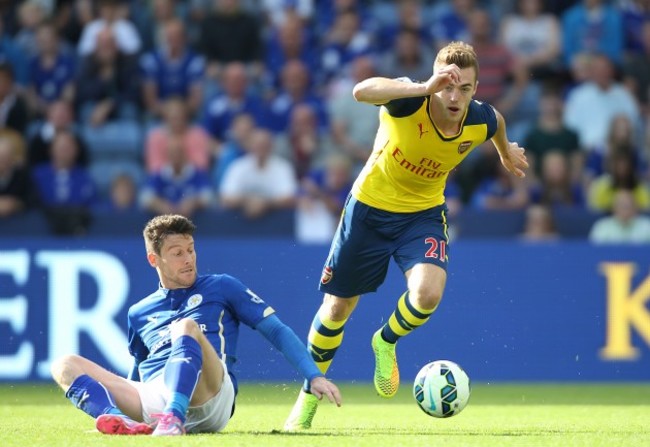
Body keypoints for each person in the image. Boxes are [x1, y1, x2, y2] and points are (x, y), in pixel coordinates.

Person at [283, 41, 528, 431]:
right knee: (336, 310)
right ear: (436, 79)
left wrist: (504, 152)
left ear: (475, 89)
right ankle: (308, 401)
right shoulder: (410, 101)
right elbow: (361, 91)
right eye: (448, 85)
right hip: (369, 210)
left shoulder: (480, 119)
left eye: (464, 88)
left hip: (423, 215)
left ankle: (385, 340)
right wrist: (422, 88)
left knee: (428, 294)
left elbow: (496, 122)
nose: (453, 96)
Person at [50, 214, 341, 436]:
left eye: (190, 249)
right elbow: (139, 367)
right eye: (177, 253)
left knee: (185, 327)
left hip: (209, 396)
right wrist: (130, 400)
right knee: (64, 364)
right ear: (155, 260)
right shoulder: (138, 312)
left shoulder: (221, 286)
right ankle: (121, 421)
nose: (188, 259)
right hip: (157, 397)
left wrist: (313, 375)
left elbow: (276, 330)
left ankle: (173, 419)